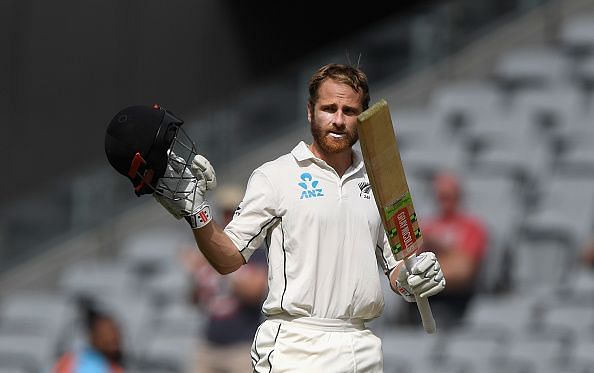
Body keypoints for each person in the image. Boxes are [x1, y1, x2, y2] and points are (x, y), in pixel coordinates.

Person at [107, 63, 446, 372]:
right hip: (296, 346)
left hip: (362, 346)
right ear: (310, 111)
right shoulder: (275, 176)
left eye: (349, 111)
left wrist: (412, 277)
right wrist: (197, 213)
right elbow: (228, 259)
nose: (339, 120)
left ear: (362, 116)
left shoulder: (378, 180)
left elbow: (395, 267)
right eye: (329, 109)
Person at [180, 184, 268, 373]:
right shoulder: (208, 252)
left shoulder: (256, 252)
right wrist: (196, 274)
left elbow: (254, 293)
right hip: (209, 344)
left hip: (241, 347)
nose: (229, 218)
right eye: (225, 212)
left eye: (234, 211)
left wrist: (218, 267)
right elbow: (194, 300)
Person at [401, 171, 488, 329]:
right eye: (441, 196)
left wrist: (437, 248)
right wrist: (451, 257)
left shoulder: (472, 228)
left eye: (449, 196)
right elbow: (405, 268)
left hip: (458, 302)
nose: (445, 201)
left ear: (459, 196)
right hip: (421, 303)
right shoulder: (426, 227)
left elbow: (464, 271)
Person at [54, 306, 124, 373]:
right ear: (93, 336)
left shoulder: (113, 366)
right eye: (105, 333)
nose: (113, 337)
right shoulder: (74, 361)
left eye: (115, 331)